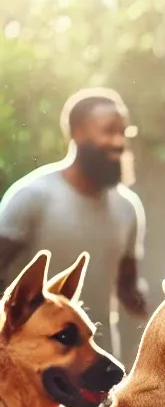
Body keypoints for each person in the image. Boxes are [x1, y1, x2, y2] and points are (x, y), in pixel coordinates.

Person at [0, 87, 148, 358]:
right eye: (109, 131)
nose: (119, 141)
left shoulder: (128, 208)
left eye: (124, 132)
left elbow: (128, 287)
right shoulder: (32, 196)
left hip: (95, 364)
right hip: (29, 363)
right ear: (78, 133)